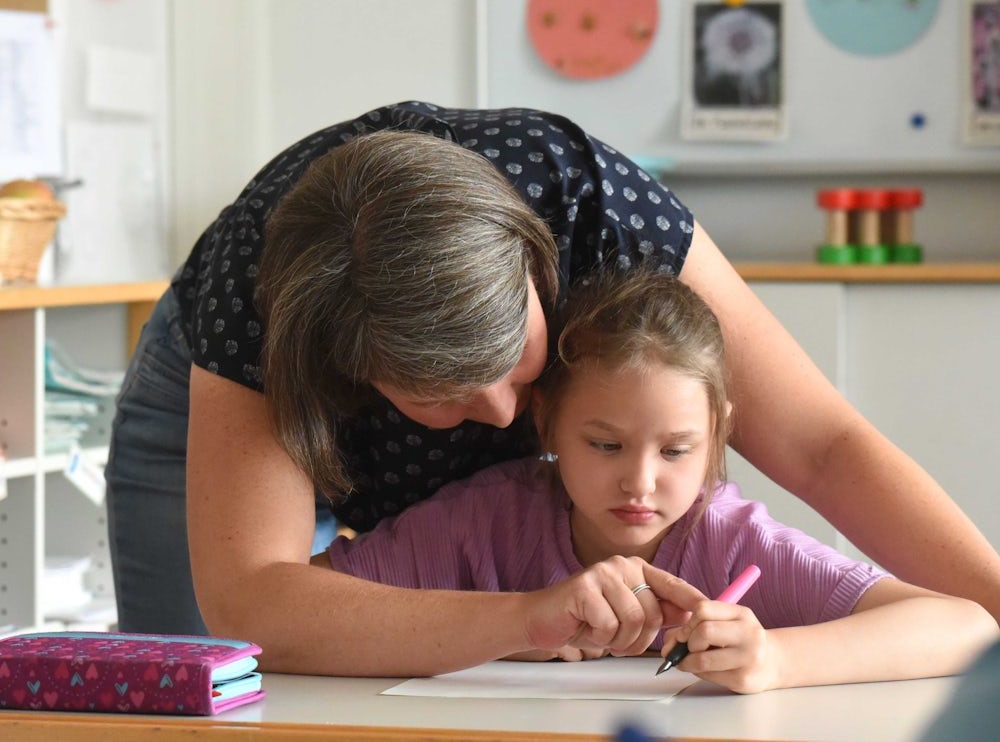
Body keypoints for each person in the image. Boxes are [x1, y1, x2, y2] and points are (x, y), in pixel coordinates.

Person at [105, 101, 1000, 676]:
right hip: (227, 388)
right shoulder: (260, 308)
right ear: (355, 374)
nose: (507, 415)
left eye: (519, 363)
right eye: (447, 395)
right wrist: (528, 617)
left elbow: (821, 444)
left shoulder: (598, 209)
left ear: (540, 270)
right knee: (199, 689)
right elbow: (256, 605)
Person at [310, 270, 998, 689]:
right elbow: (309, 603)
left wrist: (774, 659)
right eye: (605, 444)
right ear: (545, 421)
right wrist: (493, 631)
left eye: (676, 451)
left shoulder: (731, 542)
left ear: (720, 435)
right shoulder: (486, 519)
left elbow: (965, 626)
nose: (639, 482)